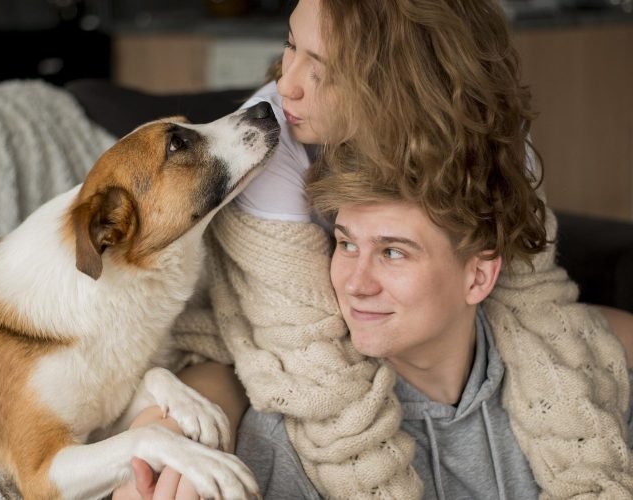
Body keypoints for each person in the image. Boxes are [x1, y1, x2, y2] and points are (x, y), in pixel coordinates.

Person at [114, 0, 633, 498]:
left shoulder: (496, 147)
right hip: (251, 342)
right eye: (291, 46)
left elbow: (534, 304)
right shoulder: (269, 138)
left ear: (401, 77)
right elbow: (306, 360)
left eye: (324, 67)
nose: (286, 84)